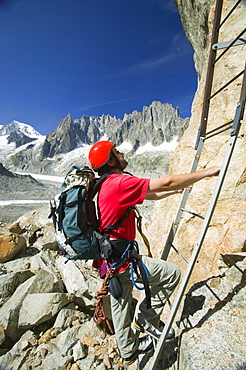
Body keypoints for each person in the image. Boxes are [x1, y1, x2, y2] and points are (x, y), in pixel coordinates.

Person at [88, 140, 220, 367]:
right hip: (124, 260)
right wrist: (205, 173)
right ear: (111, 160)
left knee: (120, 306)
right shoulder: (119, 182)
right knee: (171, 274)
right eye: (117, 152)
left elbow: (152, 194)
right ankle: (146, 320)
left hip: (109, 261)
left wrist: (175, 191)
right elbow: (165, 181)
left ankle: (128, 353)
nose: (121, 154)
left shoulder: (104, 185)